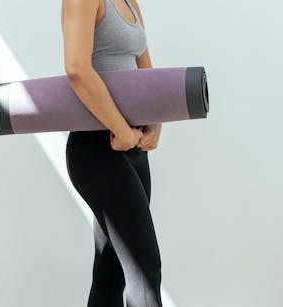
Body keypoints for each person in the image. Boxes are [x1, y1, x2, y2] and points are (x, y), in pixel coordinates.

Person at [61, 0, 163, 306]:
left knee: (112, 273)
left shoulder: (130, 2)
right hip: (96, 152)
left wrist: (155, 122)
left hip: (132, 150)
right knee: (145, 272)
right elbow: (77, 69)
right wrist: (120, 129)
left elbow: (146, 72)